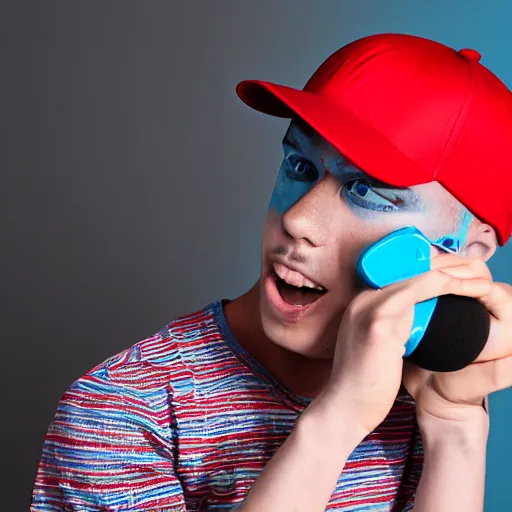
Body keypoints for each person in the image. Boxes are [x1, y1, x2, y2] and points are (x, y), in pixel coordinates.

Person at [31, 33, 512, 511]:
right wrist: (336, 423)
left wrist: (454, 431)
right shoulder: (124, 413)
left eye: (365, 190)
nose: (296, 219)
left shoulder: (423, 399)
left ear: (466, 253)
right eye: (299, 165)